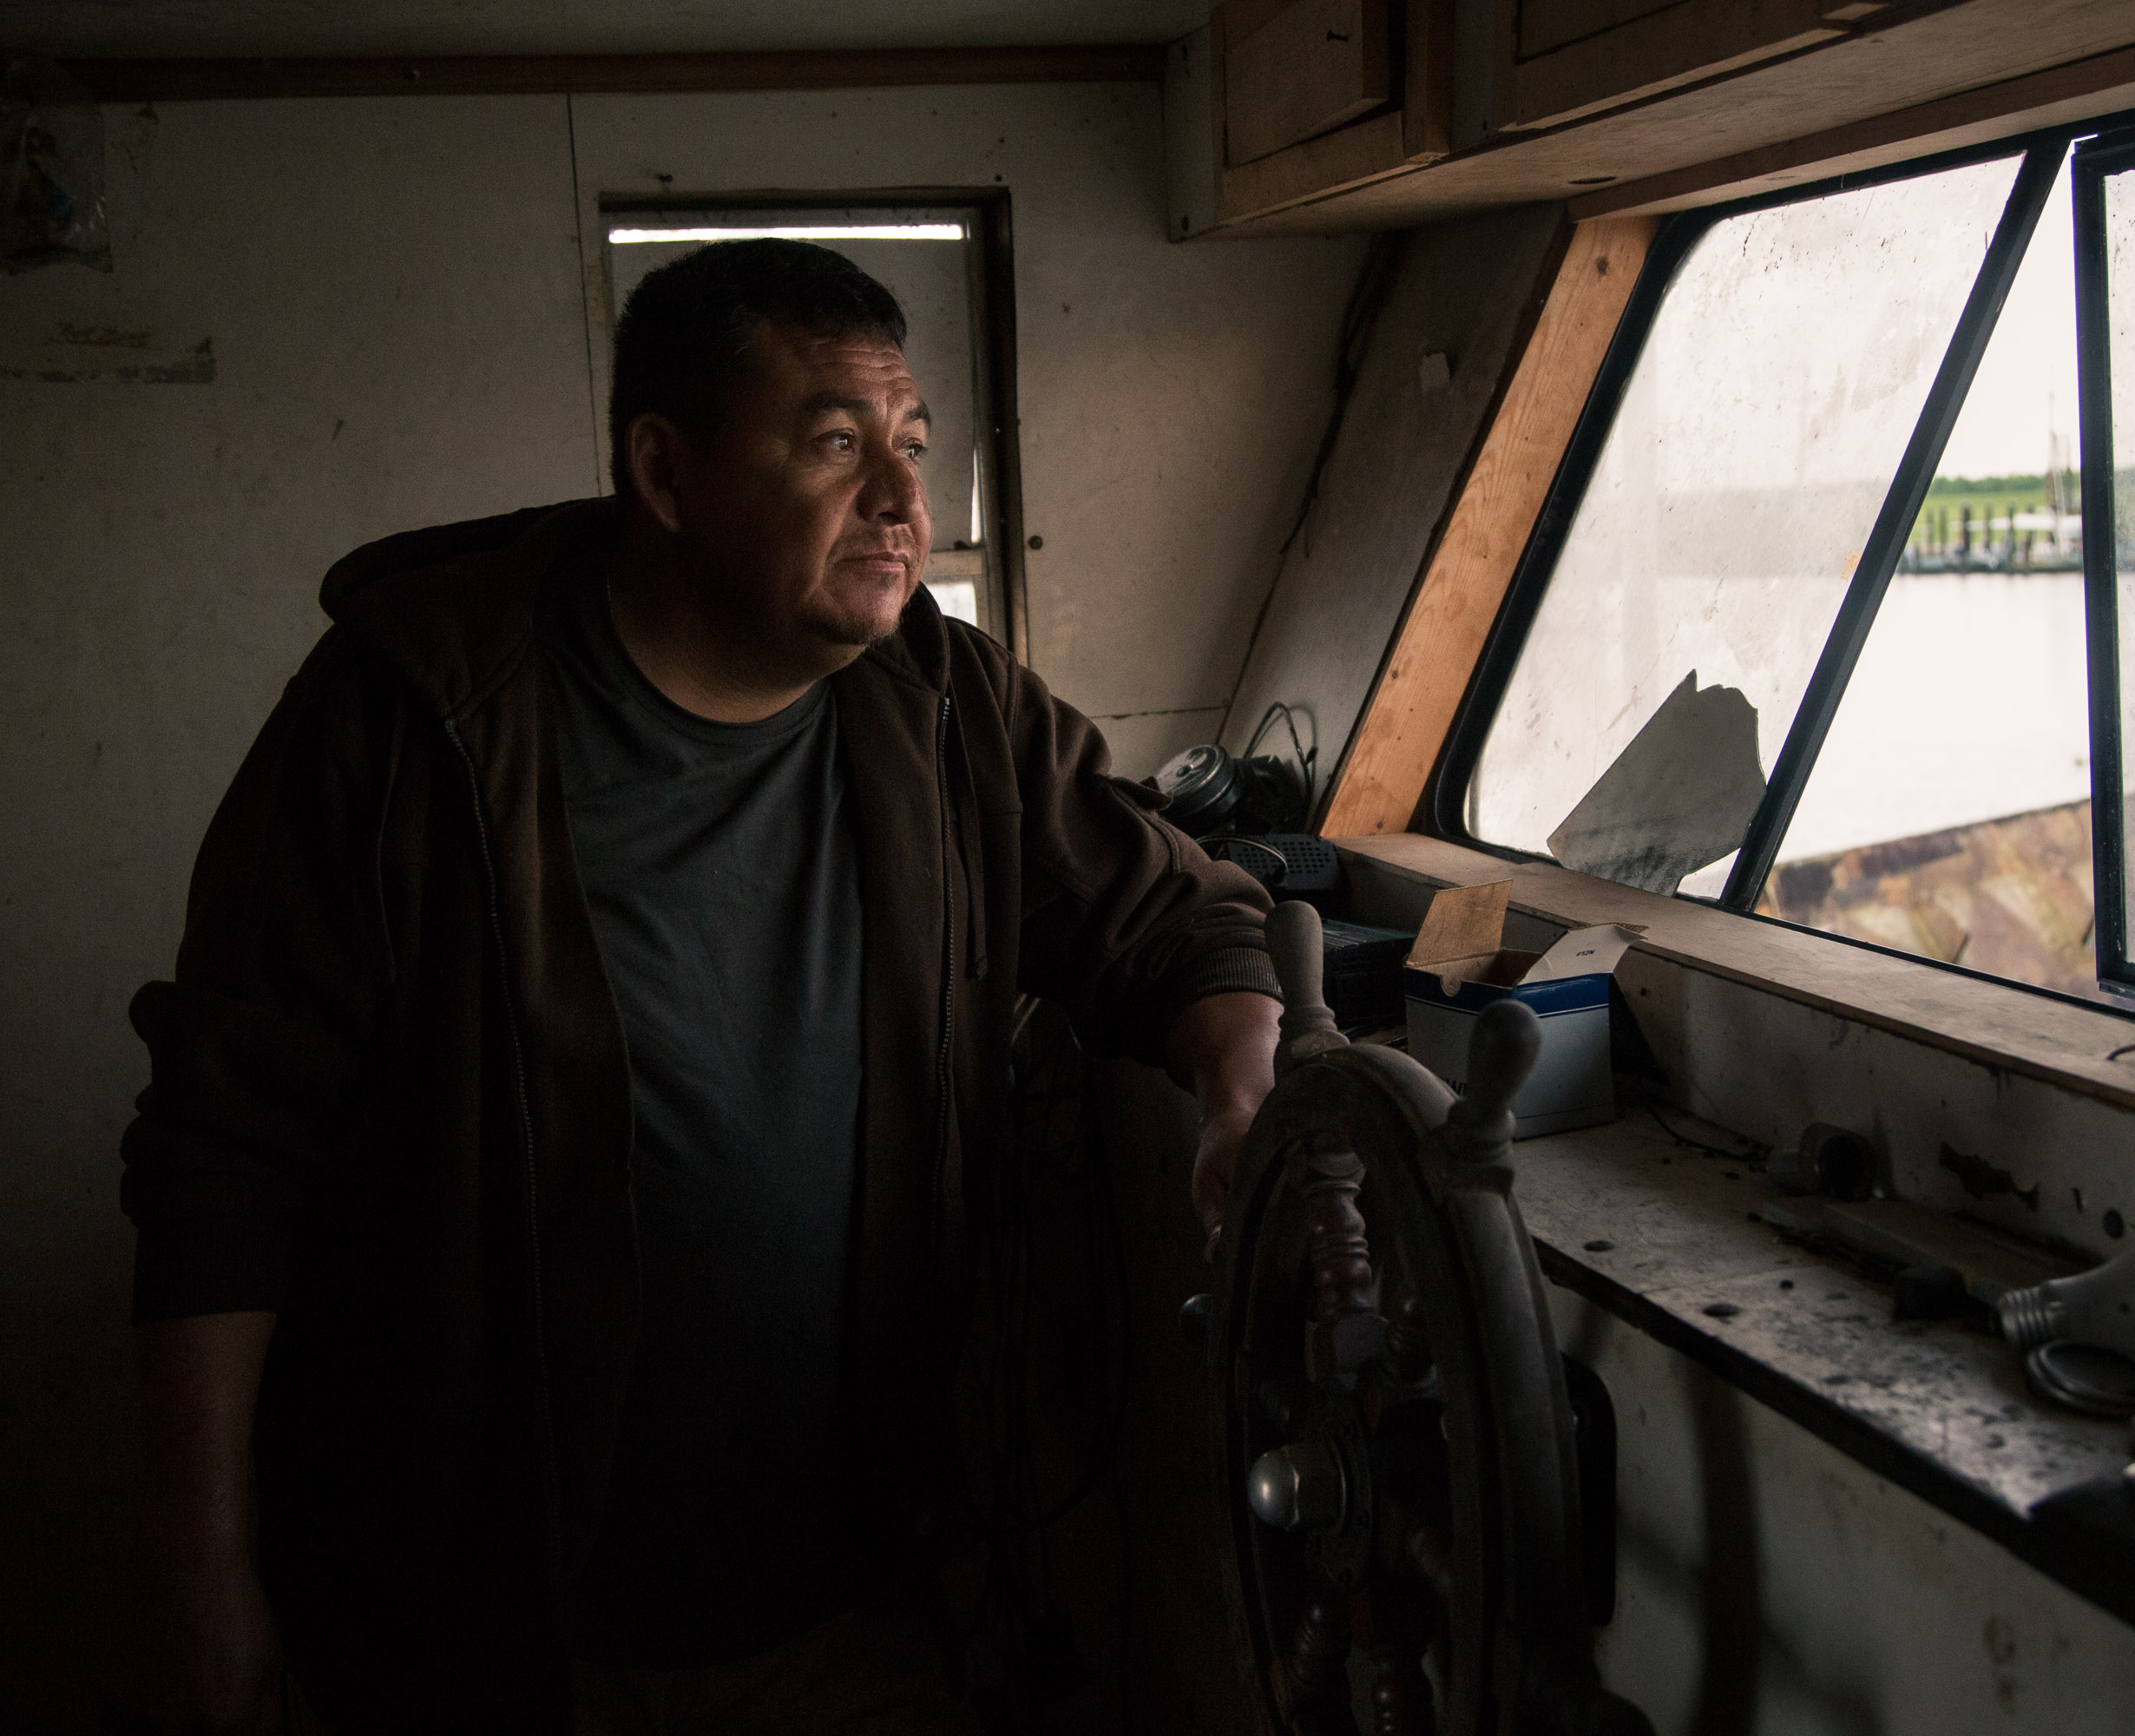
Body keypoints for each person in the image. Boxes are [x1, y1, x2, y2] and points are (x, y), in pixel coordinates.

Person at [111, 240, 1284, 1735]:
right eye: (835, 445)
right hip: (484, 1622)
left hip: (861, 1593)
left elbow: (1179, 919)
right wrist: (195, 1568)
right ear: (663, 474)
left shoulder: (946, 704)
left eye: (914, 449)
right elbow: (223, 1158)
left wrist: (1242, 1097)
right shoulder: (410, 720)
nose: (905, 504)